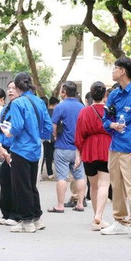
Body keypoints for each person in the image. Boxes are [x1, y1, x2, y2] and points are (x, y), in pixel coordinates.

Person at [101, 56, 131, 241]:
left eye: (115, 68)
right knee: (117, 185)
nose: (112, 71)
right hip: (115, 147)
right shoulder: (113, 95)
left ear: (123, 71)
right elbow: (106, 119)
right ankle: (119, 222)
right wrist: (111, 125)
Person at [3, 72, 52, 233]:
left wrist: (8, 133)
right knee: (31, 185)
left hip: (21, 149)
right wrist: (39, 137)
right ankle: (37, 218)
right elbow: (48, 127)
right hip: (35, 148)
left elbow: (16, 126)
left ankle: (26, 221)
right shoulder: (39, 101)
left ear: (17, 87)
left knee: (21, 186)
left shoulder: (18, 103)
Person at [75, 81, 112, 230]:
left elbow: (78, 135)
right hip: (105, 147)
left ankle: (95, 217)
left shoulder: (84, 112)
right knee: (104, 184)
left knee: (94, 185)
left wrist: (79, 153)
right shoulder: (109, 111)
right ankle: (99, 216)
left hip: (89, 148)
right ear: (104, 95)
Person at [49, 81, 86, 213]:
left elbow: (53, 125)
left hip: (62, 147)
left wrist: (55, 136)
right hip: (77, 149)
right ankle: (80, 203)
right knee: (80, 176)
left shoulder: (60, 107)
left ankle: (60, 205)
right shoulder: (82, 107)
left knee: (62, 177)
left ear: (64, 92)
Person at [0, 81, 18, 226]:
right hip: (5, 149)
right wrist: (0, 147)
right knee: (4, 178)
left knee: (16, 182)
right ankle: (6, 212)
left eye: (13, 88)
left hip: (17, 150)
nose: (10, 91)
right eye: (8, 88)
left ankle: (15, 214)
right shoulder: (5, 109)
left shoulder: (21, 107)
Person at [42, 96, 58, 180]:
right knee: (50, 156)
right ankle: (50, 173)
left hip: (45, 137)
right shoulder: (56, 112)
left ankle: (40, 173)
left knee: (43, 155)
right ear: (55, 104)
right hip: (53, 137)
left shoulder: (45, 112)